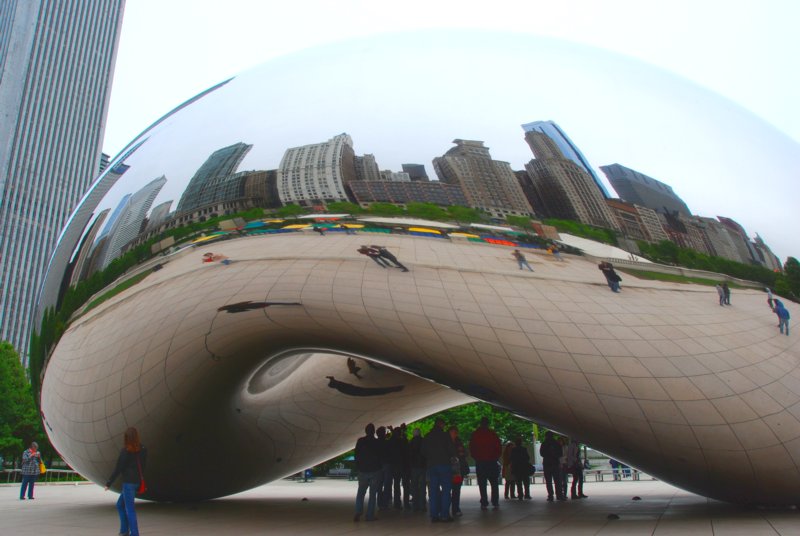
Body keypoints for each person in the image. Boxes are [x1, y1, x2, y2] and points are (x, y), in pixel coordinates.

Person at [105, 427, 147, 536]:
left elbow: (118, 468)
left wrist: (109, 483)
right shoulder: (143, 449)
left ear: (126, 438)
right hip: (136, 482)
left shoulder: (126, 451)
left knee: (130, 510)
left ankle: (134, 533)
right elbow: (143, 466)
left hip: (128, 483)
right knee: (120, 504)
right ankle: (124, 530)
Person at [422, 417, 456, 522]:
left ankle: (434, 515)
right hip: (444, 465)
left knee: (433, 491)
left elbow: (422, 452)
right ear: (442, 425)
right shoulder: (445, 436)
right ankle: (445, 515)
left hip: (432, 466)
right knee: (446, 491)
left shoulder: (427, 436)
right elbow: (452, 450)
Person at [469, 416, 501, 510]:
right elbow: (498, 448)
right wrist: (495, 457)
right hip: (492, 462)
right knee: (494, 483)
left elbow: (472, 448)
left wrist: (477, 457)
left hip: (481, 462)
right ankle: (495, 501)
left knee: (482, 484)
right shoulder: (492, 434)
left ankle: (484, 502)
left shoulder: (475, 434)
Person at [354, 423, 382, 522]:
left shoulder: (360, 441)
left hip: (362, 471)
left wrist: (358, 467)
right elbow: (381, 456)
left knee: (361, 492)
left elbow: (356, 455)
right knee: (373, 494)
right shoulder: (377, 442)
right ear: (373, 431)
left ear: (365, 431)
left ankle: (358, 511)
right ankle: (370, 515)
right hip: (374, 470)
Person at [448, 426, 470, 516]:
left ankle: (455, 508)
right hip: (450, 469)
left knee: (456, 490)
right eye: (453, 432)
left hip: (458, 470)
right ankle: (450, 508)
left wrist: (462, 453)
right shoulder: (448, 442)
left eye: (455, 432)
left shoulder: (458, 442)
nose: (455, 434)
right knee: (448, 490)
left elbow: (465, 453)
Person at [540, 432, 565, 501]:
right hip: (555, 463)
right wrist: (554, 455)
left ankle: (550, 496)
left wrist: (548, 454)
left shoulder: (544, 444)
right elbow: (560, 454)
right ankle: (559, 495)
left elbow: (541, 453)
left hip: (547, 464)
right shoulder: (556, 443)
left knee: (548, 481)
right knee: (557, 481)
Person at [408, 428, 427, 512]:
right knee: (422, 487)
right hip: (422, 466)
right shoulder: (423, 441)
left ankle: (415, 506)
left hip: (414, 467)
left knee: (414, 486)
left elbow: (409, 454)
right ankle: (422, 506)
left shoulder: (411, 442)